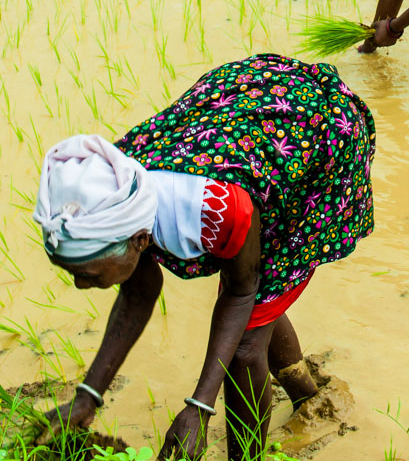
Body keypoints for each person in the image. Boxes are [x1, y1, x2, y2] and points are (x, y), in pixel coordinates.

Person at [33, 54, 376, 461]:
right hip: (248, 126)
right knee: (255, 301)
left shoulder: (216, 211)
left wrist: (199, 407)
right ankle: (307, 394)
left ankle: (245, 458)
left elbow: (242, 290)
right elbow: (140, 291)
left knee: (247, 341)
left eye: (87, 273)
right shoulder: (113, 192)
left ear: (140, 240)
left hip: (316, 138)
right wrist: (88, 397)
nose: (80, 284)